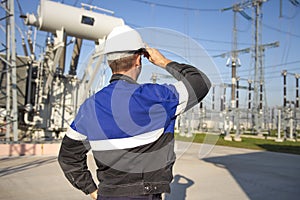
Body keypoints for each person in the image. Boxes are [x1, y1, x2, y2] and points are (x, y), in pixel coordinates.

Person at [58, 25, 211, 200]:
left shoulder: (89, 107)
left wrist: (91, 189)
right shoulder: (157, 97)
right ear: (138, 59)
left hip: (107, 195)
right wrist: (164, 61)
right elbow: (200, 82)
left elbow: (68, 156)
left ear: (109, 63)